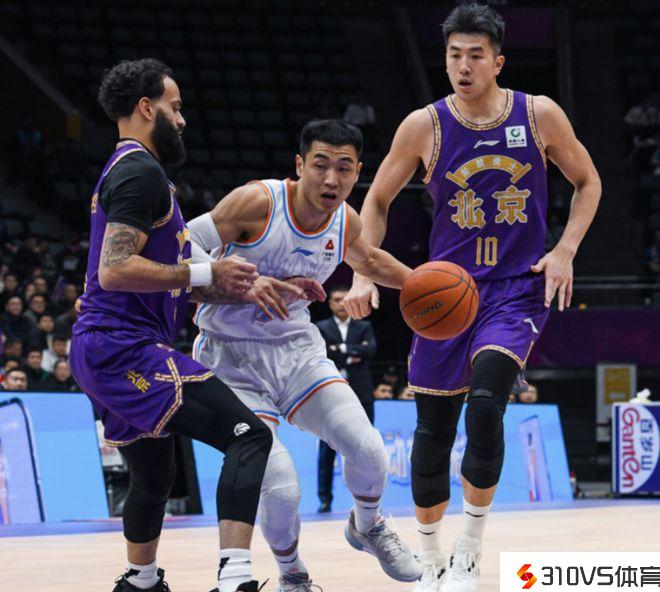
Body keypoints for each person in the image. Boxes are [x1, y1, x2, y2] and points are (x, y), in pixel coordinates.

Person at [344, 4, 601, 591]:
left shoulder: (537, 115)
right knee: (433, 431)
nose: (463, 66)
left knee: (486, 405)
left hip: (515, 291)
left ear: (498, 62)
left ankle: (468, 550)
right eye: (454, 55)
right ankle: (431, 556)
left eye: (475, 55)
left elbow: (588, 181)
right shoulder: (424, 126)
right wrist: (362, 271)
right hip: (444, 297)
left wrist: (565, 250)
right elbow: (376, 201)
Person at [68, 58, 297, 592]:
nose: (183, 119)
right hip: (122, 348)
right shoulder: (139, 172)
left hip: (108, 346)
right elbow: (115, 269)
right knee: (248, 436)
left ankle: (140, 581)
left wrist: (252, 284)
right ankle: (235, 578)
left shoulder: (133, 171)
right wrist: (204, 270)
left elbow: (159, 277)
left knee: (153, 472)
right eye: (175, 107)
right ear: (146, 108)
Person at [189, 119, 421, 591]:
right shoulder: (258, 202)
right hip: (231, 359)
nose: (331, 179)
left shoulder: (346, 221)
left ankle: (368, 525)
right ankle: (292, 573)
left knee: (368, 448)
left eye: (344, 168)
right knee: (281, 486)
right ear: (299, 165)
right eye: (320, 165)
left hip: (297, 352)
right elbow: (182, 244)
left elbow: (369, 260)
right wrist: (240, 282)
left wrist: (426, 283)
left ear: (357, 173)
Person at [314, 285, 377, 513]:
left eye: (344, 299)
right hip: (330, 393)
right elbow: (321, 353)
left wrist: (339, 349)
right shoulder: (320, 328)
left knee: (366, 446)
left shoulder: (364, 326)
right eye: (336, 299)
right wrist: (353, 352)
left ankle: (367, 496)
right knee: (327, 448)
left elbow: (370, 351)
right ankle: (325, 498)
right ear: (330, 303)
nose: (340, 303)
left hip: (362, 393)